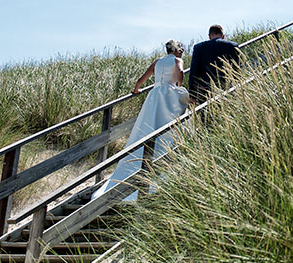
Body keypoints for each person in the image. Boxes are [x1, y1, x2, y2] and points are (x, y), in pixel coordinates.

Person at [93, 40, 190, 202]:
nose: (182, 53)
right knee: (170, 125)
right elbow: (180, 73)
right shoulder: (177, 60)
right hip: (169, 94)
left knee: (149, 125)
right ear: (177, 50)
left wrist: (136, 90)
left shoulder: (157, 62)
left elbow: (141, 79)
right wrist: (179, 86)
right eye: (181, 50)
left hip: (154, 94)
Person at [187, 24, 242, 104]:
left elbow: (194, 72)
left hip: (205, 90)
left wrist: (192, 93)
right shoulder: (232, 46)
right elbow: (237, 69)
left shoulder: (198, 48)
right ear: (223, 36)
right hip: (227, 87)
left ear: (209, 36)